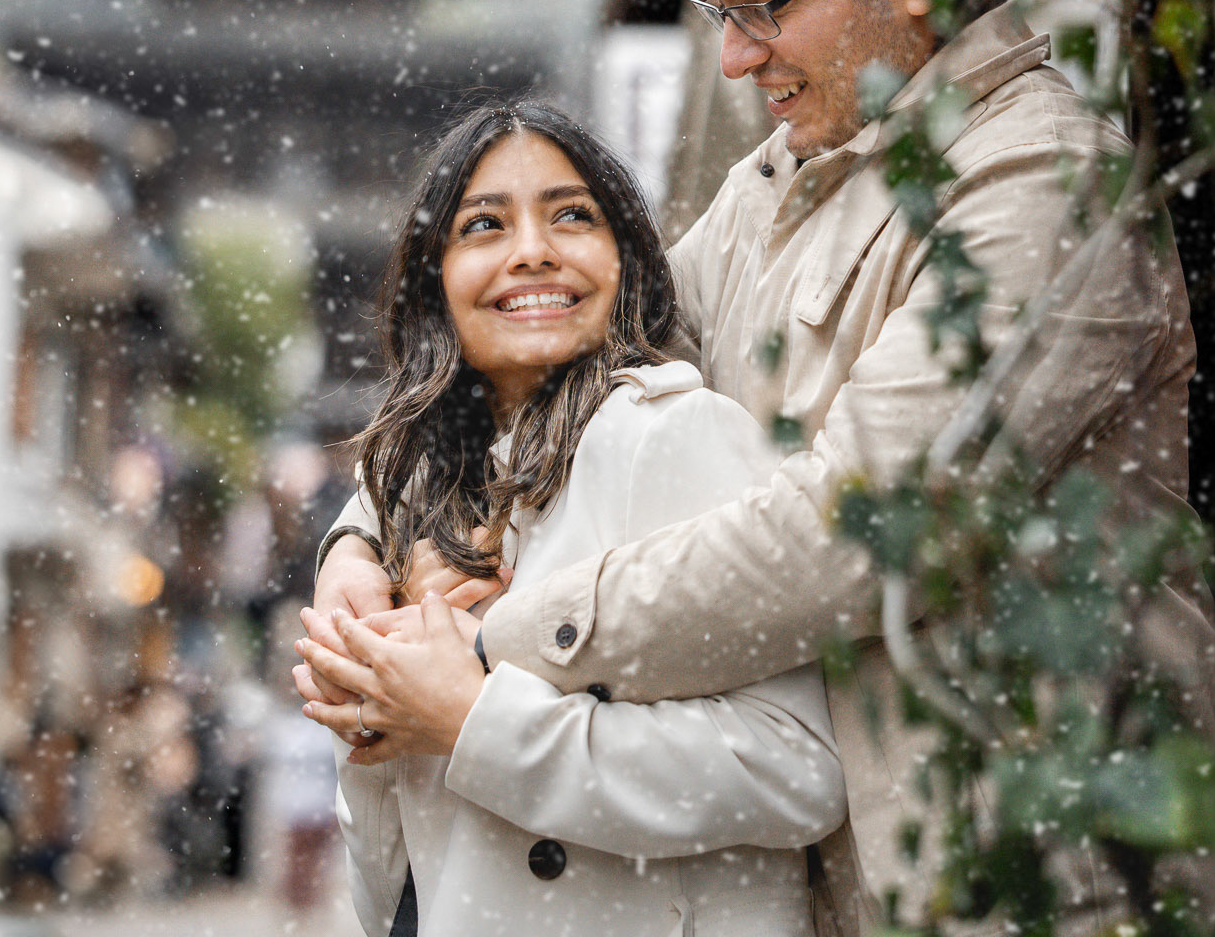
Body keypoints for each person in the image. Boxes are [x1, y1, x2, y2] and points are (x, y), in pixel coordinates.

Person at [305, 0, 1215, 932]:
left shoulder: (1046, 183)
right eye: (714, 12)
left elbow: (865, 527)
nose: (736, 55)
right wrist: (363, 554)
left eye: (765, 2)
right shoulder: (780, 180)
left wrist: (488, 642)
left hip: (1042, 878)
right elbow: (556, 354)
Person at [297, 100, 846, 936]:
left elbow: (795, 769)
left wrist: (476, 723)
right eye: (483, 225)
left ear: (625, 259)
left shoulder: (669, 435)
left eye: (572, 217)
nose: (531, 253)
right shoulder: (426, 486)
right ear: (431, 282)